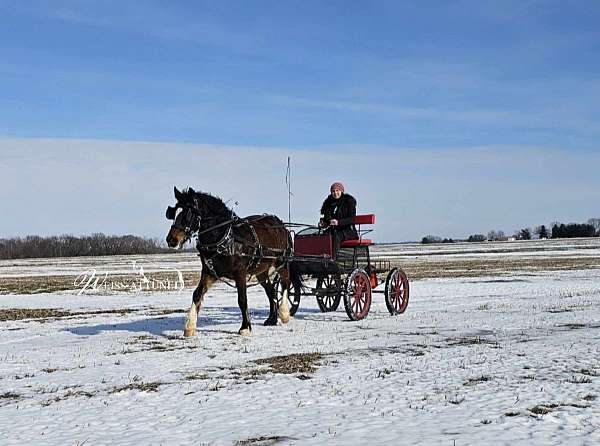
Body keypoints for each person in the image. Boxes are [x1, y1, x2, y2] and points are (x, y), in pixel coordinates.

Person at [319, 182, 358, 257]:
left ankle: (333, 259)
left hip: (349, 230)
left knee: (336, 236)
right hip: (335, 230)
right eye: (333, 191)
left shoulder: (348, 202)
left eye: (337, 190)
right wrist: (324, 222)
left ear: (341, 191)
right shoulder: (329, 203)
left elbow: (352, 219)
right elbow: (328, 219)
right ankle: (321, 257)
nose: (335, 193)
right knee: (322, 235)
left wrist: (338, 222)